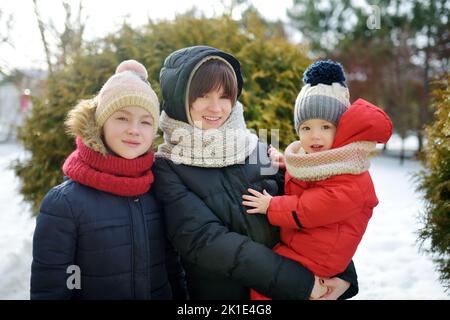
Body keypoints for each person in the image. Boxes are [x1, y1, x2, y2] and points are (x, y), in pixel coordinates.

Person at [153, 46, 359, 300]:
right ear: (179, 99)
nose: (216, 108)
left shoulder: (257, 148)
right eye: (203, 96)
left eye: (225, 95)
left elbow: (309, 210)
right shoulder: (168, 166)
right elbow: (207, 241)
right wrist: (303, 284)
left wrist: (341, 276)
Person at [30, 60, 188, 300]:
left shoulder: (159, 189)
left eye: (146, 121)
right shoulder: (65, 204)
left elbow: (172, 269)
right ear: (100, 124)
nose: (134, 129)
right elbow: (52, 287)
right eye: (122, 118)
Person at [242, 60, 393, 300]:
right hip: (303, 248)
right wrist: (287, 163)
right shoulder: (322, 160)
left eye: (325, 126)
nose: (315, 136)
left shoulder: (350, 173)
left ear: (341, 129)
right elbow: (309, 175)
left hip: (318, 260)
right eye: (305, 128)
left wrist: (272, 206)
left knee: (265, 290)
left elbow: (313, 207)